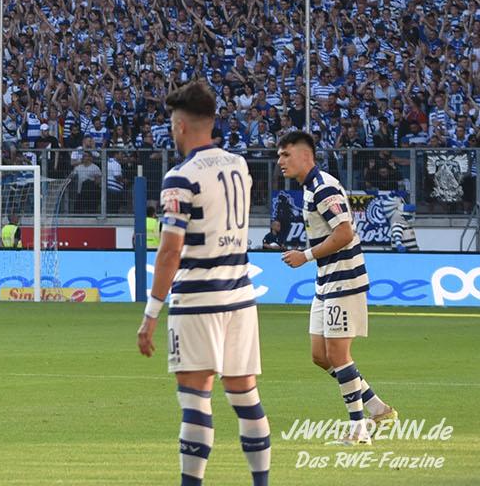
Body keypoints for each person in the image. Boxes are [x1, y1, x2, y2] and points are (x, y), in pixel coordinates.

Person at [136, 83, 268, 486]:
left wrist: (150, 315)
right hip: (241, 297)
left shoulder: (181, 177)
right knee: (246, 399)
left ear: (179, 126)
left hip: (198, 301)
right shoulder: (239, 165)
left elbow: (169, 252)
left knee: (195, 400)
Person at [276, 130, 395, 442]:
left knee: (339, 354)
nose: (280, 161)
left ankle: (359, 429)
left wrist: (306, 255)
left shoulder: (324, 187)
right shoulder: (309, 189)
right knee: (320, 355)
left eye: (285, 154)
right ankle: (378, 408)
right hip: (326, 280)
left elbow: (344, 232)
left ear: (305, 156)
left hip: (345, 278)